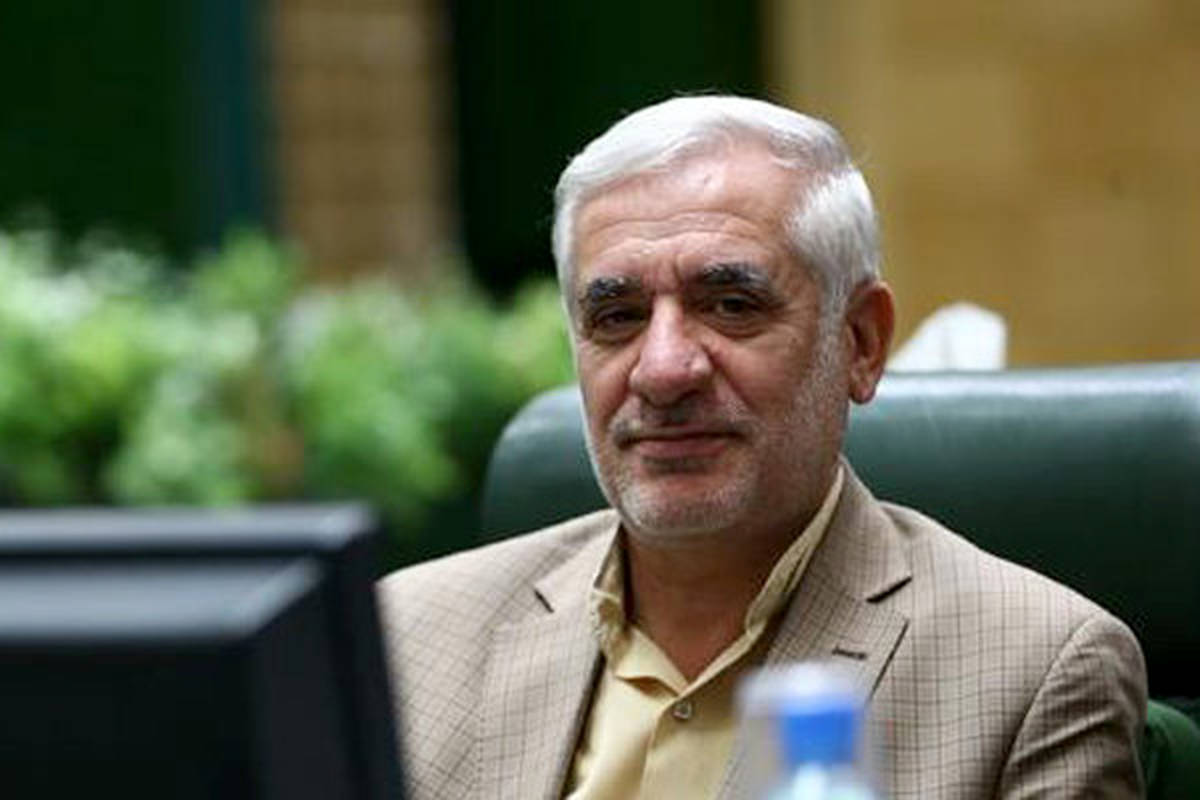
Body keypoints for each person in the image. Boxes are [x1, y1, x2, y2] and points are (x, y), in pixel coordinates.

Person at [378, 95, 1146, 799]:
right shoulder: (407, 639)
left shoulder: (1034, 672)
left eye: (731, 305)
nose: (663, 370)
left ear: (860, 342)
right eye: (617, 318)